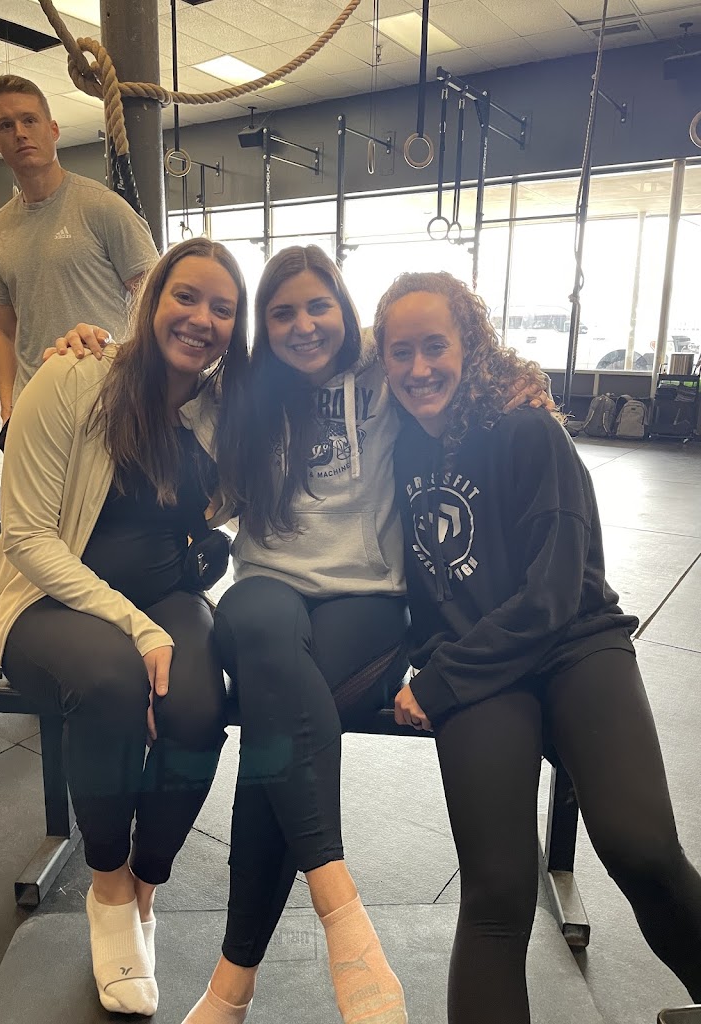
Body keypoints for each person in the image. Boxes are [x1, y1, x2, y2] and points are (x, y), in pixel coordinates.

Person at [56, 247, 552, 1024]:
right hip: (267, 585)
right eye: (282, 312)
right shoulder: (241, 392)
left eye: (318, 306)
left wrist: (519, 372)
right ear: (265, 325)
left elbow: (443, 353)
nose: (303, 325)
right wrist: (91, 345)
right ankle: (340, 913)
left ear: (343, 310)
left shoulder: (380, 374)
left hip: (368, 597)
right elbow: (159, 381)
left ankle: (232, 986)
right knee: (262, 641)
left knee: (276, 731)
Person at [374, 270, 701, 1024]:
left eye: (435, 346)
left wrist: (439, 681)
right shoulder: (393, 441)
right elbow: (299, 367)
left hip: (572, 647)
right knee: (498, 889)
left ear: (470, 347)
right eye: (400, 352)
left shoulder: (528, 431)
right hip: (480, 667)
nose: (419, 368)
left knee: (641, 848)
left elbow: (552, 595)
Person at [0, 238, 249, 1017]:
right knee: (112, 680)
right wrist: (137, 628)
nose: (201, 318)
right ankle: (106, 886)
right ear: (151, 298)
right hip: (45, 600)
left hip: (164, 596)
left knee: (199, 706)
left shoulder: (219, 408)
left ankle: (144, 889)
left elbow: (330, 350)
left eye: (223, 308)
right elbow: (27, 536)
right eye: (185, 296)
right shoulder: (72, 375)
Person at [0, 74, 159, 442]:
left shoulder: (103, 208)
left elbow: (155, 303)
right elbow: (3, 329)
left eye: (30, 120)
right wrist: (10, 406)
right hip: (36, 410)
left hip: (107, 404)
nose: (20, 133)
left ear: (53, 129)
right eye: (6, 125)